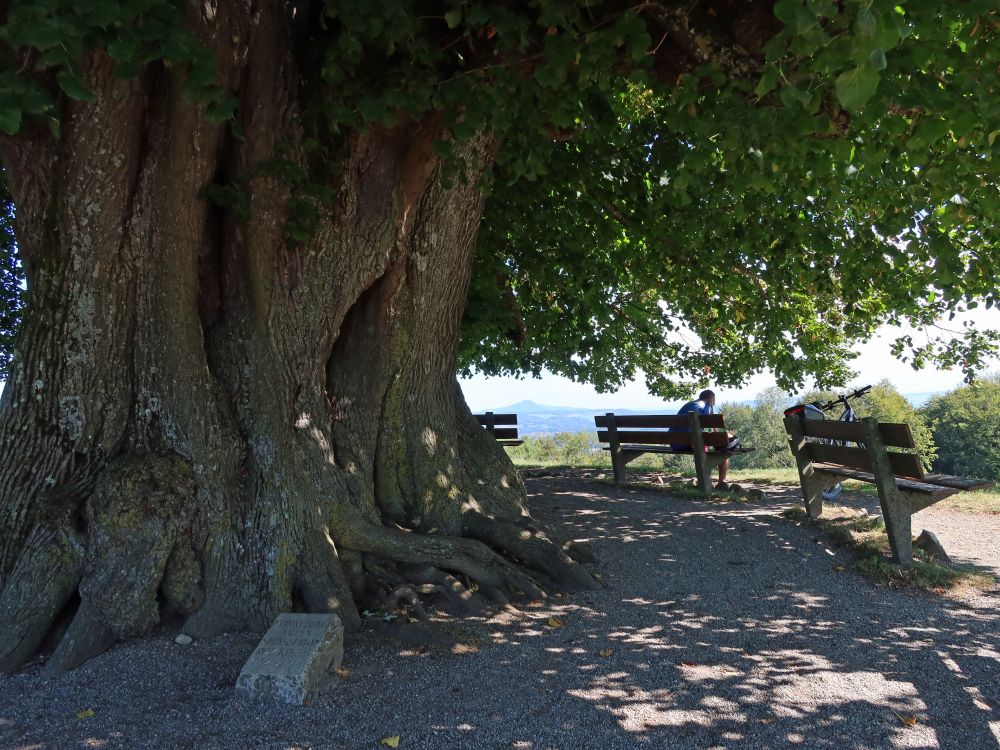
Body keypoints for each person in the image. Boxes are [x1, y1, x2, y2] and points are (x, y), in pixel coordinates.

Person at [669, 389, 738, 487]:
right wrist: (730, 436)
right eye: (713, 400)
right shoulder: (706, 406)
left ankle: (710, 481)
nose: (713, 403)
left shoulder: (688, 404)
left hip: (675, 443)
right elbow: (715, 429)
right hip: (692, 443)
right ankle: (721, 483)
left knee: (705, 443)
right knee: (724, 451)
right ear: (710, 398)